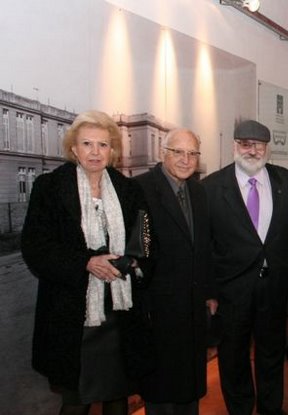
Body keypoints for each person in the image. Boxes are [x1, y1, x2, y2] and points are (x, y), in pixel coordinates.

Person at [21, 110, 152, 415]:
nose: (95, 152)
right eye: (87, 144)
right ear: (74, 148)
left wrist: (134, 262)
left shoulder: (129, 189)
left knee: (117, 395)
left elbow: (146, 237)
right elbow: (36, 247)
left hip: (120, 311)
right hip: (73, 314)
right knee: (76, 401)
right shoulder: (50, 187)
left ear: (112, 150)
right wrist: (86, 262)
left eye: (103, 145)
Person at [203, 119, 288, 415]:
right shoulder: (211, 187)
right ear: (235, 146)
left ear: (267, 148)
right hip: (231, 288)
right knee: (233, 355)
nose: (252, 151)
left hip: (273, 285)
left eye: (259, 145)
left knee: (272, 351)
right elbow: (207, 243)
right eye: (245, 144)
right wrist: (211, 290)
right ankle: (241, 409)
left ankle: (271, 408)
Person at [135, 128, 217, 414]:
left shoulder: (199, 191)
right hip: (158, 308)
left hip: (193, 306)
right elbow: (139, 250)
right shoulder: (141, 188)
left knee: (189, 386)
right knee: (161, 387)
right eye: (178, 152)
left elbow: (205, 246)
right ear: (163, 153)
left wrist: (209, 291)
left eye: (192, 153)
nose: (186, 159)